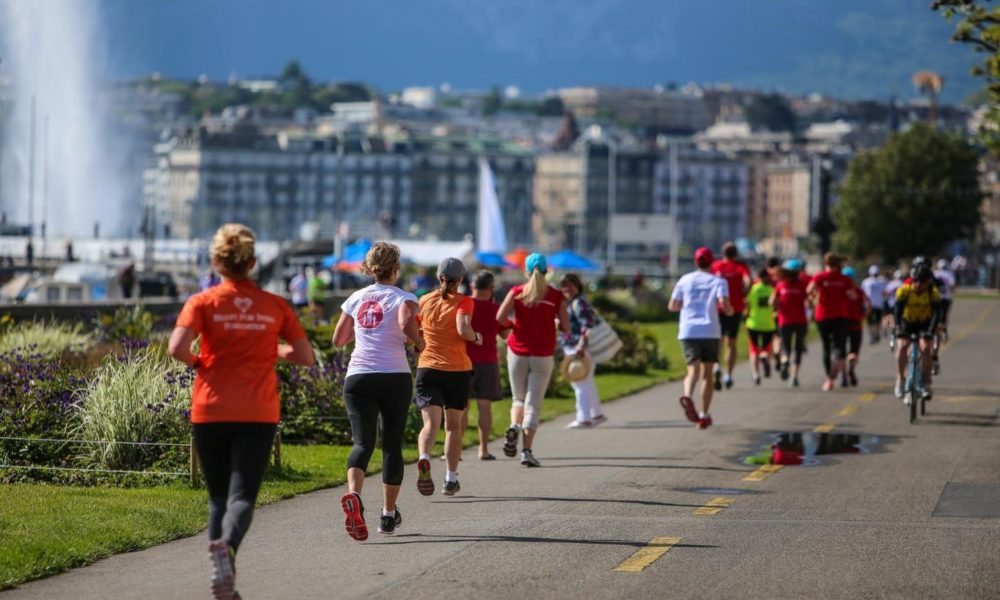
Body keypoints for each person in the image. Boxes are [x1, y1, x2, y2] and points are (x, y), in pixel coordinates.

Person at [168, 224, 314, 600]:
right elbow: (304, 356)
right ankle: (227, 548)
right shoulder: (275, 305)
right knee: (242, 497)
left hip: (210, 407)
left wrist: (200, 362)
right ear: (252, 263)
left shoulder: (202, 303)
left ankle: (224, 580)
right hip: (256, 411)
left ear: (216, 262)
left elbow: (176, 348)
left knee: (218, 497)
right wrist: (271, 348)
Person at [333, 242, 424, 540]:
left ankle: (354, 495)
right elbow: (406, 323)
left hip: (358, 376)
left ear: (370, 269)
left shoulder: (355, 298)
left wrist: (366, 330)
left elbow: (338, 339)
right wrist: (418, 342)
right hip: (393, 376)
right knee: (392, 446)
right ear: (395, 269)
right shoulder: (404, 297)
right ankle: (387, 515)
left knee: (362, 443)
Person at [413, 258, 481, 496]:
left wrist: (419, 345)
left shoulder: (423, 300)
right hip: (456, 370)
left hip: (428, 368)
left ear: (438, 277)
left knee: (430, 425)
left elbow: (414, 331)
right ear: (460, 279)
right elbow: (463, 329)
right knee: (453, 427)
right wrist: (476, 337)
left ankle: (424, 457)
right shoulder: (464, 301)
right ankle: (450, 479)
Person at [496, 253, 569, 467]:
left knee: (518, 399)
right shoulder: (555, 295)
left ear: (526, 271)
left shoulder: (517, 292)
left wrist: (513, 327)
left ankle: (514, 426)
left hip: (517, 352)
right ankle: (526, 451)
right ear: (546, 271)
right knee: (533, 405)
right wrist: (555, 325)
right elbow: (566, 326)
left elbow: (500, 317)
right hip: (542, 354)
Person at [669, 247, 733, 429]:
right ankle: (703, 415)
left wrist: (685, 305)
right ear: (712, 262)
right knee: (707, 375)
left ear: (695, 262)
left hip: (688, 330)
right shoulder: (718, 281)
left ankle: (687, 396)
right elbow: (724, 304)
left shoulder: (685, 280)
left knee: (692, 371)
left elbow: (672, 306)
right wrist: (730, 311)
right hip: (710, 330)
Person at [464, 271, 507, 460]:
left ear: (472, 286)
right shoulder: (496, 309)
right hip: (488, 361)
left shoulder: (463, 305)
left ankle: (455, 449)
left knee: (460, 408)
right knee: (484, 407)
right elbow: (505, 333)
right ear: (491, 288)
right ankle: (483, 449)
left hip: (463, 361)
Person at [560, 273, 607, 428]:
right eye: (564, 286)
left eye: (571, 285)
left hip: (578, 347)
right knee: (587, 381)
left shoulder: (578, 303)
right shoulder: (577, 302)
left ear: (578, 286)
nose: (567, 289)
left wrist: (581, 344)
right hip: (581, 347)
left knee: (578, 382)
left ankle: (583, 418)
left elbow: (587, 326)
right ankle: (596, 413)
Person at [806, 252, 856, 392]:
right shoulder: (845, 279)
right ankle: (839, 368)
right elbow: (853, 296)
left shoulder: (820, 277)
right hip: (840, 315)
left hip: (823, 315)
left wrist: (815, 296)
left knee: (826, 346)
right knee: (839, 346)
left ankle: (829, 379)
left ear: (826, 264)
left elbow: (809, 290)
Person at [893, 263, 940, 402]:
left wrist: (931, 330)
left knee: (925, 349)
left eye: (923, 282)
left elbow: (936, 314)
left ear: (928, 282)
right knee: (902, 346)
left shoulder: (932, 292)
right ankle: (900, 380)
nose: (919, 284)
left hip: (924, 323)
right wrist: (898, 327)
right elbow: (897, 311)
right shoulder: (904, 290)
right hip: (908, 322)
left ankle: (926, 384)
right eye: (917, 281)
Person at [710, 242, 751, 390]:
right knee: (731, 343)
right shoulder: (740, 267)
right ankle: (728, 375)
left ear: (723, 253)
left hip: (718, 308)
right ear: (736, 254)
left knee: (718, 340)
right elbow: (748, 281)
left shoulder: (715, 266)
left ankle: (717, 366)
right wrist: (744, 293)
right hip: (735, 308)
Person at [772, 260, 809, 387]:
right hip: (800, 321)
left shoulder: (780, 285)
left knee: (786, 347)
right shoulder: (802, 284)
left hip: (784, 320)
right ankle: (794, 377)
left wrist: (777, 308)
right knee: (798, 349)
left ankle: (785, 360)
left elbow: (772, 301)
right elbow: (808, 301)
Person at [745, 267, 777, 386]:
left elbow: (747, 304)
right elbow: (775, 305)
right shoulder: (772, 289)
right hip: (768, 324)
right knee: (766, 349)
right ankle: (764, 356)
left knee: (753, 350)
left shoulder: (753, 289)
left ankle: (755, 374)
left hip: (753, 323)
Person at [843, 266, 869, 387]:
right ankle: (851, 368)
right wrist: (863, 316)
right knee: (854, 351)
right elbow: (868, 305)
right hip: (856, 323)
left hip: (842, 323)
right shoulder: (859, 291)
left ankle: (844, 375)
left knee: (841, 351)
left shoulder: (840, 292)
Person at [861, 265, 887, 345]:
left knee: (877, 321)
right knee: (870, 321)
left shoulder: (882, 281)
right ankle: (873, 335)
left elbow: (885, 292)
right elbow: (862, 292)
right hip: (869, 305)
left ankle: (876, 334)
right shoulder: (866, 281)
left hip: (878, 304)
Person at [884, 269, 905, 349]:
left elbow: (885, 293)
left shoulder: (891, 284)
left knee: (893, 321)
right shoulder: (903, 284)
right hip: (899, 305)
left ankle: (893, 336)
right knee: (900, 321)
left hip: (892, 305)